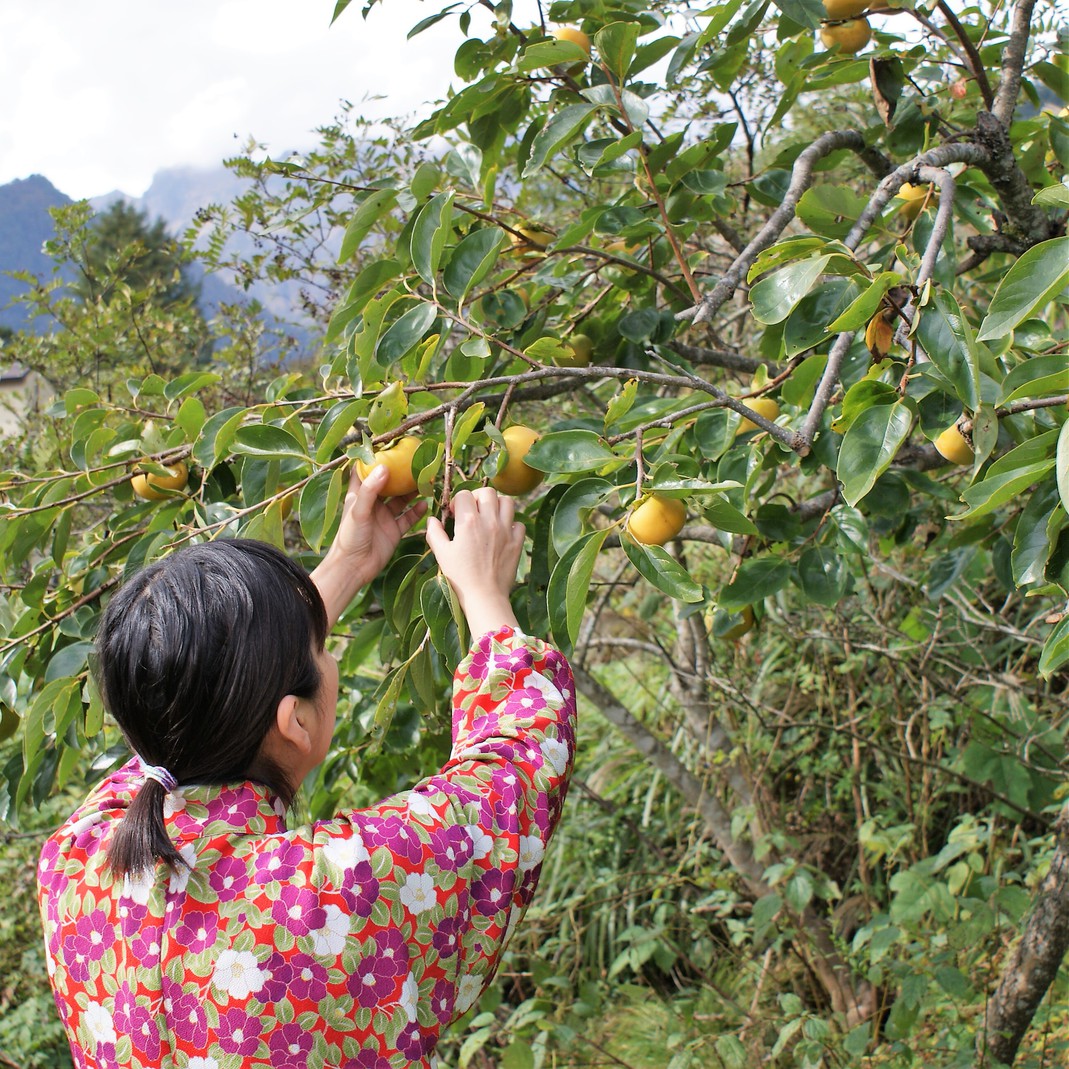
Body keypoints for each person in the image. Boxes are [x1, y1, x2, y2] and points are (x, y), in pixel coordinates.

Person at [37, 464, 577, 1069]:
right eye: (318, 650)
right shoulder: (332, 892)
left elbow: (185, 696)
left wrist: (348, 563)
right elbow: (516, 770)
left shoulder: (75, 863)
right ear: (294, 722)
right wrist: (485, 592)